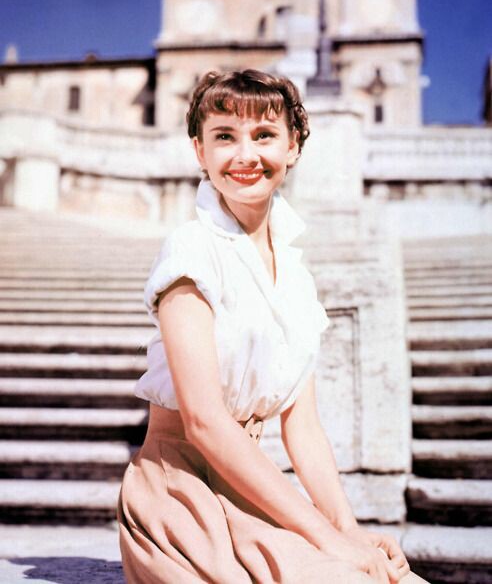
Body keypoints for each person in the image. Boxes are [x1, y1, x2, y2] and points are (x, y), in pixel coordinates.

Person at [118, 69, 428, 584]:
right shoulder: (191, 250)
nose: (245, 155)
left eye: (263, 135)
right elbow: (204, 422)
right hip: (181, 495)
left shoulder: (296, 276)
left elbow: (303, 428)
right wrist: (325, 539)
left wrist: (347, 529)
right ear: (199, 151)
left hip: (250, 489)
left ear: (293, 147)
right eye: (224, 136)